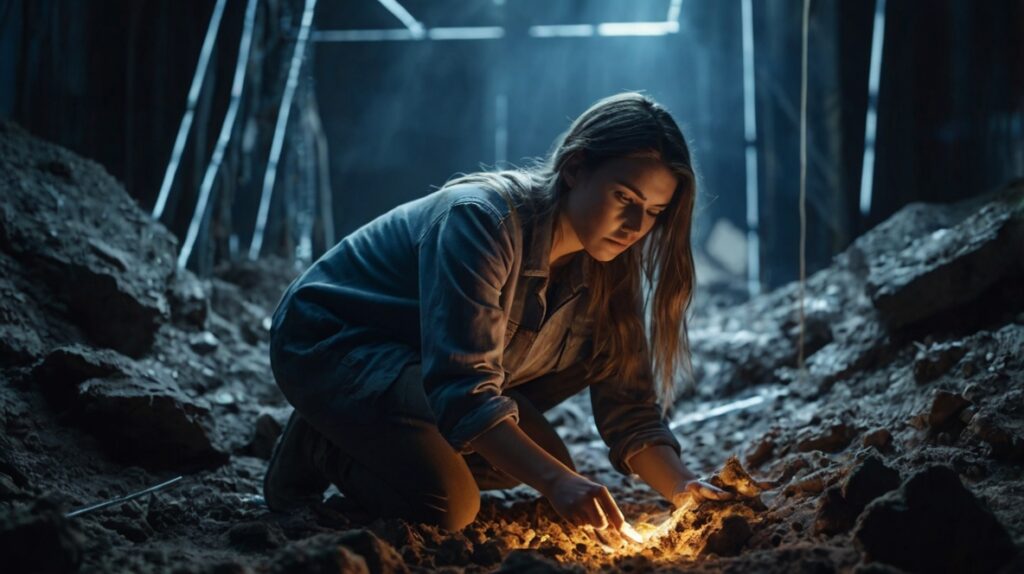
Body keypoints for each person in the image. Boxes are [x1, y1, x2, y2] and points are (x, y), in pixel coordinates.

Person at [263, 92, 732, 533]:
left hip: (420, 367)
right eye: (625, 199)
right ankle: (322, 440)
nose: (635, 227)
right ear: (574, 168)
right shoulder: (483, 221)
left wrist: (682, 487)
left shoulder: (611, 266)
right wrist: (554, 482)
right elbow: (463, 392)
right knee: (449, 506)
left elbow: (631, 410)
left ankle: (383, 433)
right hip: (332, 343)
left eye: (652, 212)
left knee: (522, 463)